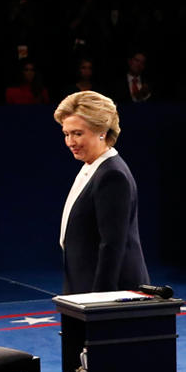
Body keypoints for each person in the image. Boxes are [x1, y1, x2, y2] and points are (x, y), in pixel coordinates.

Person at [54, 90, 149, 294]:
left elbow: (112, 245)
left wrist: (100, 299)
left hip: (106, 292)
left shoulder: (112, 175)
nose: (70, 142)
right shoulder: (93, 167)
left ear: (102, 132)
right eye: (66, 134)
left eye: (77, 134)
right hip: (85, 285)